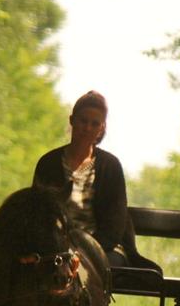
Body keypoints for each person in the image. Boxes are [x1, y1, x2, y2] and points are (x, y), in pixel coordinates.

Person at [32, 91, 159, 274]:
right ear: (72, 120)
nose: (88, 128)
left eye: (95, 124)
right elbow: (37, 213)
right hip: (54, 248)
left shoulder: (110, 167)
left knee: (85, 270)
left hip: (103, 248)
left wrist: (82, 250)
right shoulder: (48, 163)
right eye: (83, 121)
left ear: (102, 128)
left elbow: (114, 226)